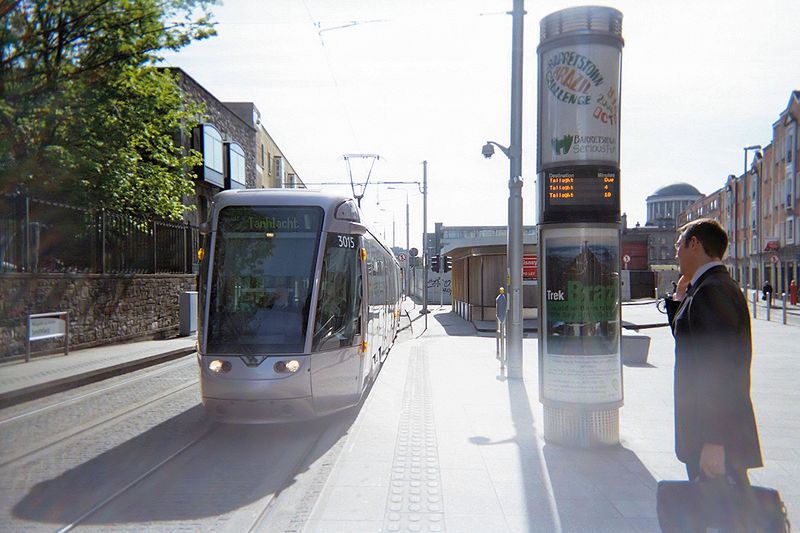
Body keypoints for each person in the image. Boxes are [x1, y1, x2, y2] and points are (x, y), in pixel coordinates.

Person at [665, 218, 762, 485]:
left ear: (694, 244)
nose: (676, 253)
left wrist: (715, 440)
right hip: (709, 434)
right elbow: (691, 339)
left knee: (723, 515)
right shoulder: (710, 287)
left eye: (679, 245)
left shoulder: (712, 292)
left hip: (712, 438)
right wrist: (680, 301)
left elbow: (721, 371)